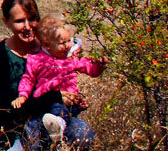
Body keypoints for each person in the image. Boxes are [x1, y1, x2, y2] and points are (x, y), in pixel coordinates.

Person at [0, 0, 94, 151]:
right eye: (19, 21)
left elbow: (67, 81)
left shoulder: (52, 48)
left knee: (82, 132)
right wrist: (53, 97)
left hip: (52, 123)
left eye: (32, 19)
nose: (27, 27)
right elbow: (5, 107)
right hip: (14, 130)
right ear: (6, 22)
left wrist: (73, 100)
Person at [12, 15, 106, 143]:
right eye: (62, 43)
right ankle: (56, 127)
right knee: (55, 108)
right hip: (48, 102)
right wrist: (23, 95)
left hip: (70, 102)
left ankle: (59, 127)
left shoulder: (71, 59)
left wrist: (99, 65)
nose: (68, 45)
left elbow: (89, 68)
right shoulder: (37, 60)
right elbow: (28, 79)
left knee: (68, 112)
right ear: (47, 45)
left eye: (70, 40)